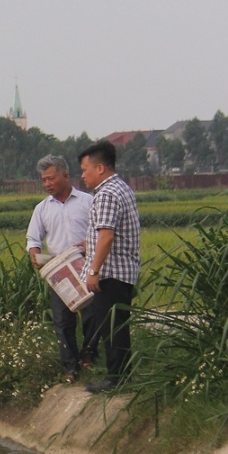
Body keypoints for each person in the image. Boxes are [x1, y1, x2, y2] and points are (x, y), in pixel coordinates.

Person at [78, 140, 140, 393]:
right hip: (124, 271)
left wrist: (94, 271)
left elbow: (107, 236)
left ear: (100, 168)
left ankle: (115, 379)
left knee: (111, 328)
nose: (83, 176)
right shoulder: (121, 188)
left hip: (111, 273)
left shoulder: (105, 194)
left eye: (85, 170)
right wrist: (89, 242)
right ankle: (121, 376)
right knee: (118, 326)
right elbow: (106, 233)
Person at [26, 155, 93, 381]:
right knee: (63, 321)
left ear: (65, 176)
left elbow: (101, 232)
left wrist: (87, 244)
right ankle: (70, 368)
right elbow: (33, 239)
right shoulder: (42, 209)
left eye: (51, 178)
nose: (47, 184)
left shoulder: (88, 202)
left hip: (85, 266)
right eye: (43, 180)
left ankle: (89, 357)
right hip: (58, 272)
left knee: (91, 315)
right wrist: (34, 254)